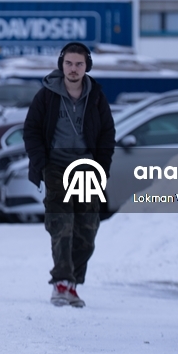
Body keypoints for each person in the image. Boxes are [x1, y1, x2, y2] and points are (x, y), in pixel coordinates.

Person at [22, 42, 115, 308]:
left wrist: (102, 166)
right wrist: (41, 163)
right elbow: (31, 130)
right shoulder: (46, 95)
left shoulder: (96, 96)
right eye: (69, 63)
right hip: (56, 168)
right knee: (61, 226)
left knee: (87, 230)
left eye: (79, 64)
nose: (73, 69)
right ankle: (61, 283)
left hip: (87, 169)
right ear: (61, 64)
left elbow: (108, 133)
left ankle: (73, 283)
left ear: (87, 67)